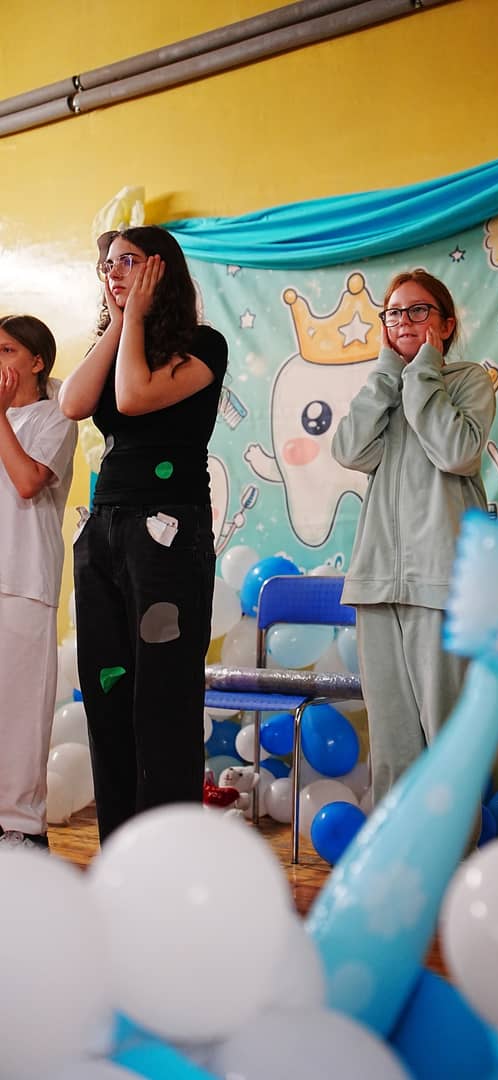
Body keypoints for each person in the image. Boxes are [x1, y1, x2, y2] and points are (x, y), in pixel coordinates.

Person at [59, 226, 228, 842]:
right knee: (107, 694)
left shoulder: (203, 345)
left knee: (162, 698)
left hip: (168, 533)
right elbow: (73, 403)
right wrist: (117, 320)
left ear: (161, 269)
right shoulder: (116, 341)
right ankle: (120, 847)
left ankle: (165, 852)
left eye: (127, 261)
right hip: (104, 530)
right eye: (107, 264)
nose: (113, 272)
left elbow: (133, 398)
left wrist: (132, 317)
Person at [332, 269, 496, 804]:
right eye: (394, 312)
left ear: (445, 325)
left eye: (418, 310)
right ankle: (396, 854)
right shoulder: (384, 389)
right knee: (393, 749)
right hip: (378, 584)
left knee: (448, 743)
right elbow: (350, 450)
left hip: (443, 582)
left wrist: (423, 374)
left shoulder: (467, 380)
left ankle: (453, 853)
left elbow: (457, 452)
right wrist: (387, 374)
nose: (403, 320)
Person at [0, 315, 77, 850]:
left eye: (6, 350)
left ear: (37, 362)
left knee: (22, 714)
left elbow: (28, 482)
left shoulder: (57, 415)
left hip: (24, 578)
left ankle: (23, 827)